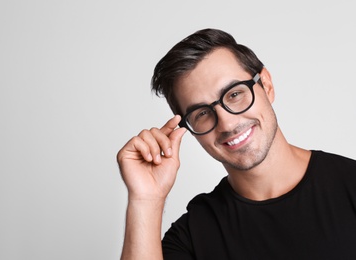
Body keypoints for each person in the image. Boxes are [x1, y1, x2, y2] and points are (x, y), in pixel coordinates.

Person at [117, 28, 356, 259]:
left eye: (234, 94)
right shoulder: (192, 236)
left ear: (266, 85)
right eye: (202, 113)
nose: (227, 124)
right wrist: (145, 200)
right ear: (189, 130)